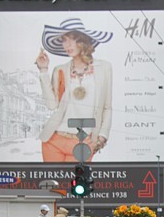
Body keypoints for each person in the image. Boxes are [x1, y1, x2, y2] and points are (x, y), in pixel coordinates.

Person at [36, 18, 113, 163]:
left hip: (84, 142)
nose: (67, 44)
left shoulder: (104, 68)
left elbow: (107, 107)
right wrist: (43, 70)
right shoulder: (60, 70)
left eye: (72, 39)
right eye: (64, 40)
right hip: (54, 139)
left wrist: (102, 136)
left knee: (77, 185)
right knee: (55, 186)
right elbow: (52, 105)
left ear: (83, 41)